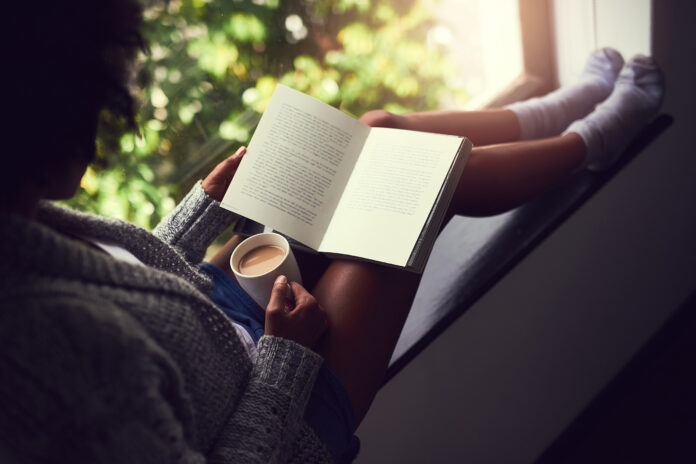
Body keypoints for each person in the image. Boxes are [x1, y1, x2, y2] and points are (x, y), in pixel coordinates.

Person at [0, 0, 664, 462]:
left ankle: (555, 109)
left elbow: (127, 277)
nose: (98, 134)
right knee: (417, 181)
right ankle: (595, 140)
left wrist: (207, 202)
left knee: (375, 129)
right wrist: (286, 357)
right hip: (286, 407)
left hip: (226, 309)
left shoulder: (20, 222)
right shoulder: (56, 354)